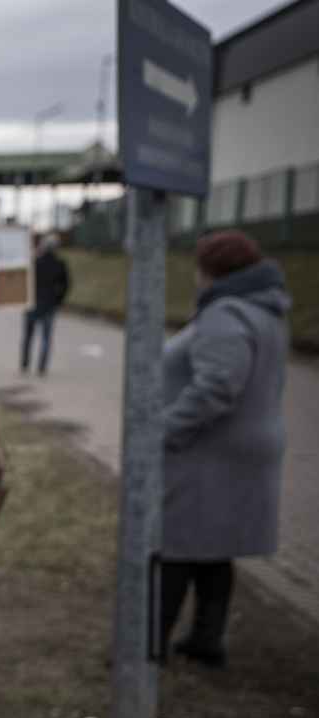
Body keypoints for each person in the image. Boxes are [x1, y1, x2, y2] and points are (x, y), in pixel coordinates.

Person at [160, 229, 290, 669]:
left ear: (210, 270)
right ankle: (205, 639)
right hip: (241, 450)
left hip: (207, 452)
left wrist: (164, 429)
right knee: (215, 549)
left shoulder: (225, 312)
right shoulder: (266, 311)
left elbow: (217, 386)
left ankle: (148, 643)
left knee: (173, 545)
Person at [22, 234, 70, 376]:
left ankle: (25, 362)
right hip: (49, 304)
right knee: (46, 337)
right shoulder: (60, 264)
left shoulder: (35, 262)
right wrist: (58, 300)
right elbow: (66, 284)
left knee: (28, 336)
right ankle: (42, 366)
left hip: (32, 303)